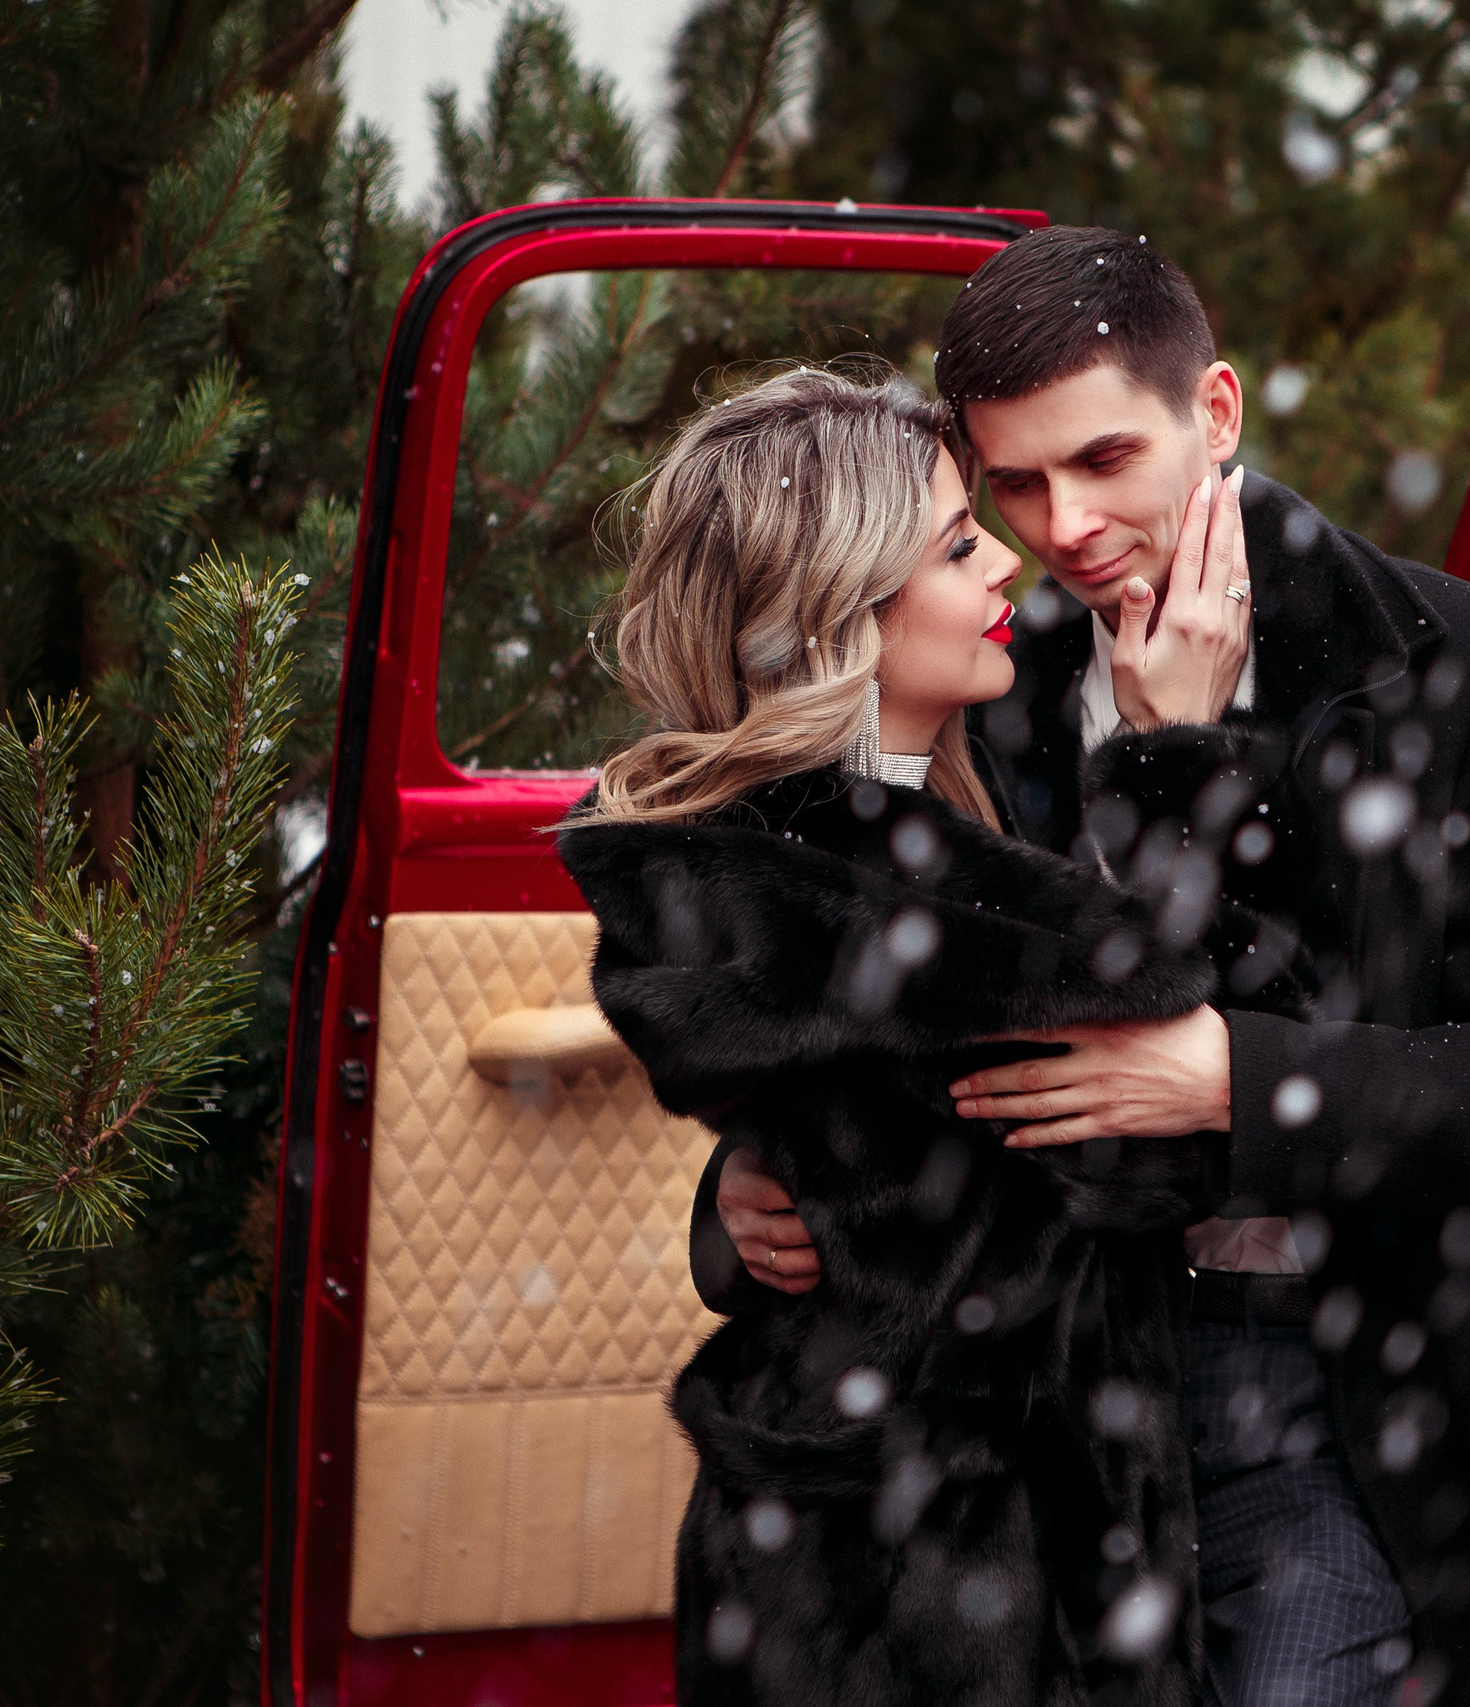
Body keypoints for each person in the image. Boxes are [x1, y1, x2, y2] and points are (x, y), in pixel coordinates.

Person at [696, 230, 1470, 1707]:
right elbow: (897, 1012)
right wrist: (753, 1186)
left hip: (1357, 1381)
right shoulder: (1000, 677)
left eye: (1105, 458)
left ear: (1220, 413)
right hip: (1055, 1383)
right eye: (1016, 485)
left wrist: (1242, 1083)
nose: (1066, 524)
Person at [557, 364, 1311, 1707]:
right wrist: (1177, 751)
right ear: (837, 609)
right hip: (941, 1588)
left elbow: (873, 1159)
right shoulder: (876, 900)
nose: (1010, 566)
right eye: (962, 544)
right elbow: (1161, 1139)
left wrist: (745, 1206)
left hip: (843, 1541)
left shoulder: (796, 868)